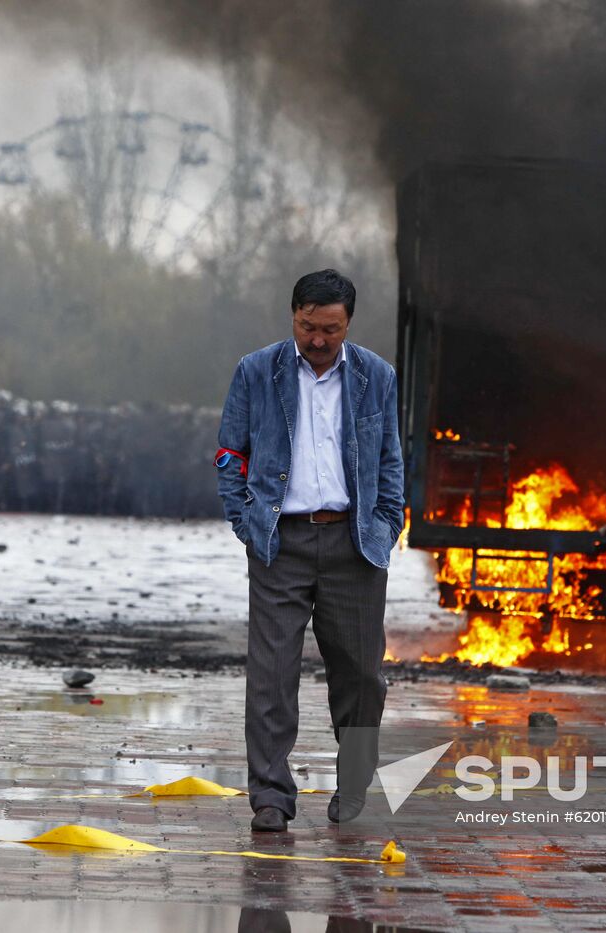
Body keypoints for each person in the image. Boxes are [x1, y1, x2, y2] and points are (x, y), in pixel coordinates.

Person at [215, 269, 405, 833]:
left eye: (330, 329)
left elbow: (390, 459)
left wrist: (387, 521)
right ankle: (271, 797)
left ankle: (352, 784)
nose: (317, 340)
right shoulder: (256, 372)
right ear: (292, 316)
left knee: (363, 677)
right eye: (307, 326)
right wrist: (246, 523)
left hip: (356, 544)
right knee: (271, 676)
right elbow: (231, 453)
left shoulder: (376, 376)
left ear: (347, 324)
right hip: (280, 543)